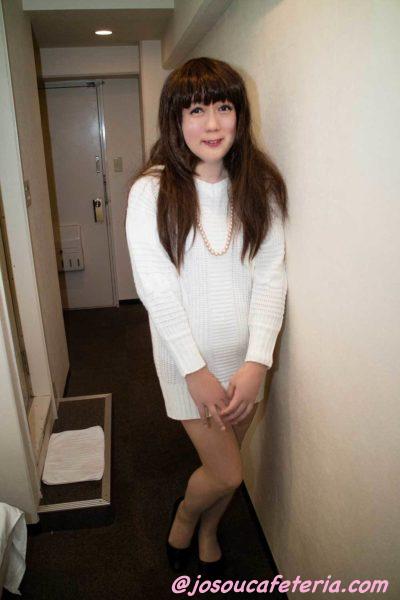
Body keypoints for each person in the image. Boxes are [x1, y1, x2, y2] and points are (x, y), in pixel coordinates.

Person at [125, 57, 288, 576]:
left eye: (223, 107)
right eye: (196, 110)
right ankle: (184, 518)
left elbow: (271, 277)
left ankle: (211, 531)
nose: (212, 123)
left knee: (228, 466)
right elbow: (155, 289)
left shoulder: (259, 187)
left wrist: (258, 361)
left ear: (240, 115)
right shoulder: (151, 192)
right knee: (227, 472)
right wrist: (194, 369)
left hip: (244, 364)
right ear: (176, 120)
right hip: (185, 365)